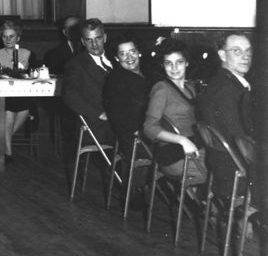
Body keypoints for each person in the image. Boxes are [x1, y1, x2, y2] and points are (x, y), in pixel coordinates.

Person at [143, 38, 207, 189]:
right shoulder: (162, 89)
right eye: (168, 63)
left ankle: (211, 209)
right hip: (174, 155)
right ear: (162, 65)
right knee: (220, 173)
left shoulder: (191, 87)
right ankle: (211, 210)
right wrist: (182, 140)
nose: (174, 67)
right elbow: (149, 128)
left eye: (179, 62)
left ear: (187, 63)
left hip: (194, 149)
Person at [197, 32, 255, 201]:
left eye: (248, 51)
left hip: (222, 167)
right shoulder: (227, 91)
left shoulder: (222, 82)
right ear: (222, 55)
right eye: (237, 51)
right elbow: (242, 140)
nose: (245, 57)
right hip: (237, 173)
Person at [102, 38, 152, 207]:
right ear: (116, 58)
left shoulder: (147, 73)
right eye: (122, 54)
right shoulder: (117, 80)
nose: (129, 57)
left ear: (139, 52)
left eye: (132, 51)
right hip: (134, 138)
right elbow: (121, 119)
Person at [0, 20, 37, 160]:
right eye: (5, 36)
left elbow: (33, 75)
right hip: (2, 95)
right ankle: (8, 152)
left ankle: (2, 143)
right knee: (9, 111)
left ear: (18, 38)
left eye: (11, 36)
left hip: (24, 94)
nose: (8, 40)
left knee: (25, 107)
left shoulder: (29, 54)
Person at [61, 17, 115, 147]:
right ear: (83, 42)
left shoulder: (116, 58)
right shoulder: (75, 64)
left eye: (98, 38)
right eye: (89, 40)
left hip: (123, 120)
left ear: (105, 38)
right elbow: (69, 95)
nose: (94, 44)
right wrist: (98, 114)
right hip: (97, 126)